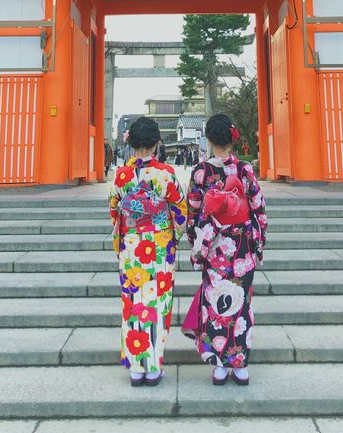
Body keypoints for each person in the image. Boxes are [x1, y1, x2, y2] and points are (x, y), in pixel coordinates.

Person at [184, 113, 267, 386]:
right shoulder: (244, 170)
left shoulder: (201, 172)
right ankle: (240, 363)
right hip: (242, 245)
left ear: (208, 139)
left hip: (215, 247)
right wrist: (259, 242)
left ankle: (219, 364)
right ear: (232, 138)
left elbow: (193, 212)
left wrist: (196, 245)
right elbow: (258, 208)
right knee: (241, 303)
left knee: (215, 303)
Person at [109, 116, 187, 387]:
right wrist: (174, 235)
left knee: (132, 304)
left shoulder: (122, 175)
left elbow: (114, 208)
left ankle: (135, 367)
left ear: (129, 141)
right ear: (157, 143)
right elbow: (180, 208)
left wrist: (124, 235)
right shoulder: (165, 173)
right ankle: (153, 367)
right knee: (157, 303)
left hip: (132, 246)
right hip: (159, 245)